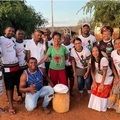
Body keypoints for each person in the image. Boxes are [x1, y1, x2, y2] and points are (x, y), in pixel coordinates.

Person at [0, 27, 20, 114]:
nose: (11, 32)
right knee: (9, 87)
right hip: (7, 67)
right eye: (9, 31)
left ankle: (11, 100)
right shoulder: (1, 39)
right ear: (5, 31)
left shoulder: (13, 39)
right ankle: (11, 106)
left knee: (16, 85)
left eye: (13, 31)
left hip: (16, 66)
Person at [88, 46, 113, 112]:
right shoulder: (92, 59)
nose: (95, 53)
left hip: (107, 77)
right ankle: (95, 106)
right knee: (95, 87)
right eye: (93, 51)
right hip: (98, 76)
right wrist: (94, 81)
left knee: (102, 89)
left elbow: (105, 73)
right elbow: (92, 71)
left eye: (96, 50)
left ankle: (103, 107)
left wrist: (102, 83)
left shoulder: (103, 59)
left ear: (99, 51)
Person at [108, 38, 120, 113]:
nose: (118, 45)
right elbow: (112, 65)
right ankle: (116, 106)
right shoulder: (113, 53)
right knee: (115, 91)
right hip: (117, 76)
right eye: (116, 43)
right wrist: (116, 76)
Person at [15, 29, 27, 102]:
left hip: (26, 65)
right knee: (18, 81)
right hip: (17, 66)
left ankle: (27, 94)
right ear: (16, 35)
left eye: (22, 34)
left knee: (27, 80)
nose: (20, 35)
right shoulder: (13, 43)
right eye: (19, 34)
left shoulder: (27, 42)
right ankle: (19, 95)